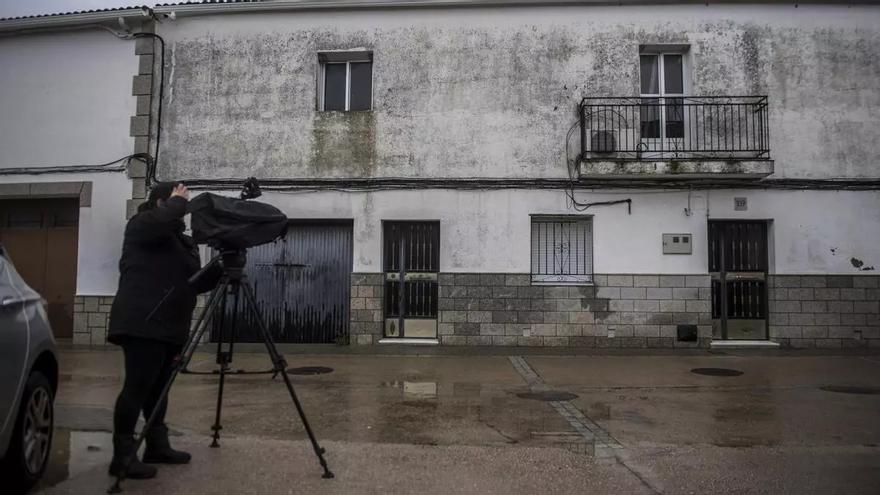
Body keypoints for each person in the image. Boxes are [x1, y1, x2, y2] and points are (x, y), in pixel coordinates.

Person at [107, 182, 220, 479]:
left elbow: (195, 282)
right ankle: (122, 456)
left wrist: (223, 265)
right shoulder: (142, 225)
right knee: (137, 387)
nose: (185, 209)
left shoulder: (180, 241)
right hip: (142, 321)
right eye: (179, 201)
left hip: (172, 324)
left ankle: (157, 445)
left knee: (159, 389)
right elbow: (159, 223)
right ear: (162, 202)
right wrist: (176, 202)